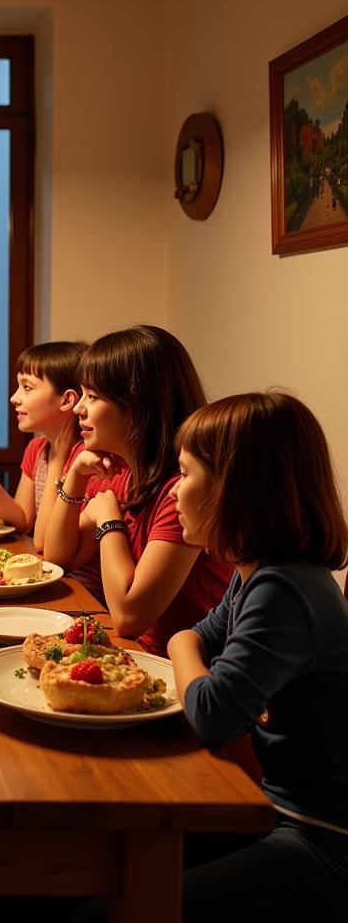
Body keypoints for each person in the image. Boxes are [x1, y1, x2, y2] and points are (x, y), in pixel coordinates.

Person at [166, 392, 348, 917]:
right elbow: (203, 639)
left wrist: (179, 643)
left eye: (185, 472)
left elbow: (213, 715)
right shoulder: (257, 573)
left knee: (112, 908)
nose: (175, 490)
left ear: (232, 487)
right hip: (276, 810)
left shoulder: (283, 588)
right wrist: (190, 645)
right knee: (109, 857)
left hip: (321, 837)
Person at [43, 325, 229, 656]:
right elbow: (58, 556)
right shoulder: (122, 473)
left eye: (93, 396)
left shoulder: (182, 492)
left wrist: (108, 523)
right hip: (139, 653)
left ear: (138, 407)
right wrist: (74, 477)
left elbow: (129, 616)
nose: (77, 408)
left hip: (182, 671)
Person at [0, 341, 85, 551]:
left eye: (27, 388)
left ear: (66, 400)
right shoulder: (38, 448)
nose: (14, 398)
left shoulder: (85, 458)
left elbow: (43, 544)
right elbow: (22, 521)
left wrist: (59, 459)